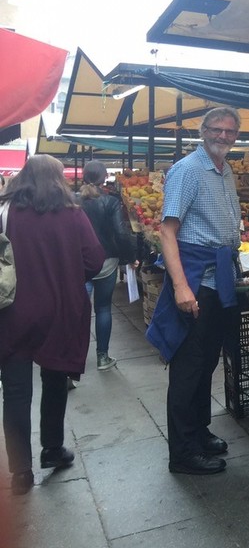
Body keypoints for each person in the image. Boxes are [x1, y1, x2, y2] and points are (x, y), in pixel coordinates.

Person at [0, 155, 106, 496]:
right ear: (59, 179)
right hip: (60, 310)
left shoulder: (5, 213)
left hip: (14, 312)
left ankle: (20, 471)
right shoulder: (73, 215)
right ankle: (52, 448)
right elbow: (95, 260)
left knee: (15, 391)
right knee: (55, 378)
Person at [146, 107, 242, 476]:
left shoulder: (225, 170)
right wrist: (182, 288)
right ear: (202, 132)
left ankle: (199, 432)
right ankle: (182, 453)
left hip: (219, 279)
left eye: (229, 131)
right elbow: (167, 232)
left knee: (207, 363)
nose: (223, 136)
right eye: (216, 130)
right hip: (196, 280)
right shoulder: (187, 171)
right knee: (188, 367)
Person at [78, 161, 138, 371]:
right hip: (106, 260)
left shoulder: (73, 201)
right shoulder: (111, 202)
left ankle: (71, 360)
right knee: (103, 308)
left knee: (78, 310)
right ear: (103, 177)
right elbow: (121, 234)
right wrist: (130, 257)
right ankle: (102, 357)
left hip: (80, 263)